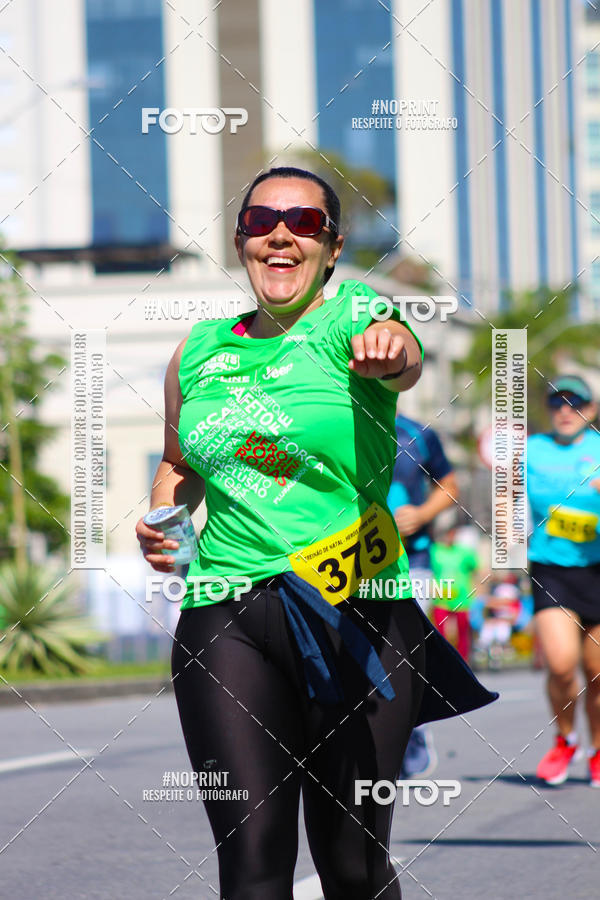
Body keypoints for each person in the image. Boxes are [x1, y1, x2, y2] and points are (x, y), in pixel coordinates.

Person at [136, 166, 497, 899]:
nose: (280, 233)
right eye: (262, 219)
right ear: (242, 240)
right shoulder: (198, 351)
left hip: (357, 613)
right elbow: (178, 463)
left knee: (352, 864)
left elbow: (399, 352)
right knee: (252, 860)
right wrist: (161, 517)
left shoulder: (352, 316)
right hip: (225, 611)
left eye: (304, 223)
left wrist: (394, 352)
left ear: (331, 249)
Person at [527, 374, 600, 787]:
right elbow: (504, 496)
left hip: (597, 569)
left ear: (589, 411)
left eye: (575, 404)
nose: (565, 411)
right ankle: (565, 738)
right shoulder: (532, 451)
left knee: (597, 673)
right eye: (557, 403)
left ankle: (597, 750)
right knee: (560, 664)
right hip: (551, 568)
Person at [388, 416, 459, 777]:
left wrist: (423, 514)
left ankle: (415, 735)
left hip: (412, 560)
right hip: (349, 561)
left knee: (403, 649)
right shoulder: (334, 416)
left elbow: (449, 484)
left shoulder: (417, 432)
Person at [430, 526, 480, 662]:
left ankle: (463, 660)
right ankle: (442, 659)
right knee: (440, 631)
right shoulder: (435, 550)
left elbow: (476, 569)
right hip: (442, 597)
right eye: (448, 534)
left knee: (462, 632)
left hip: (461, 598)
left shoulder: (464, 553)